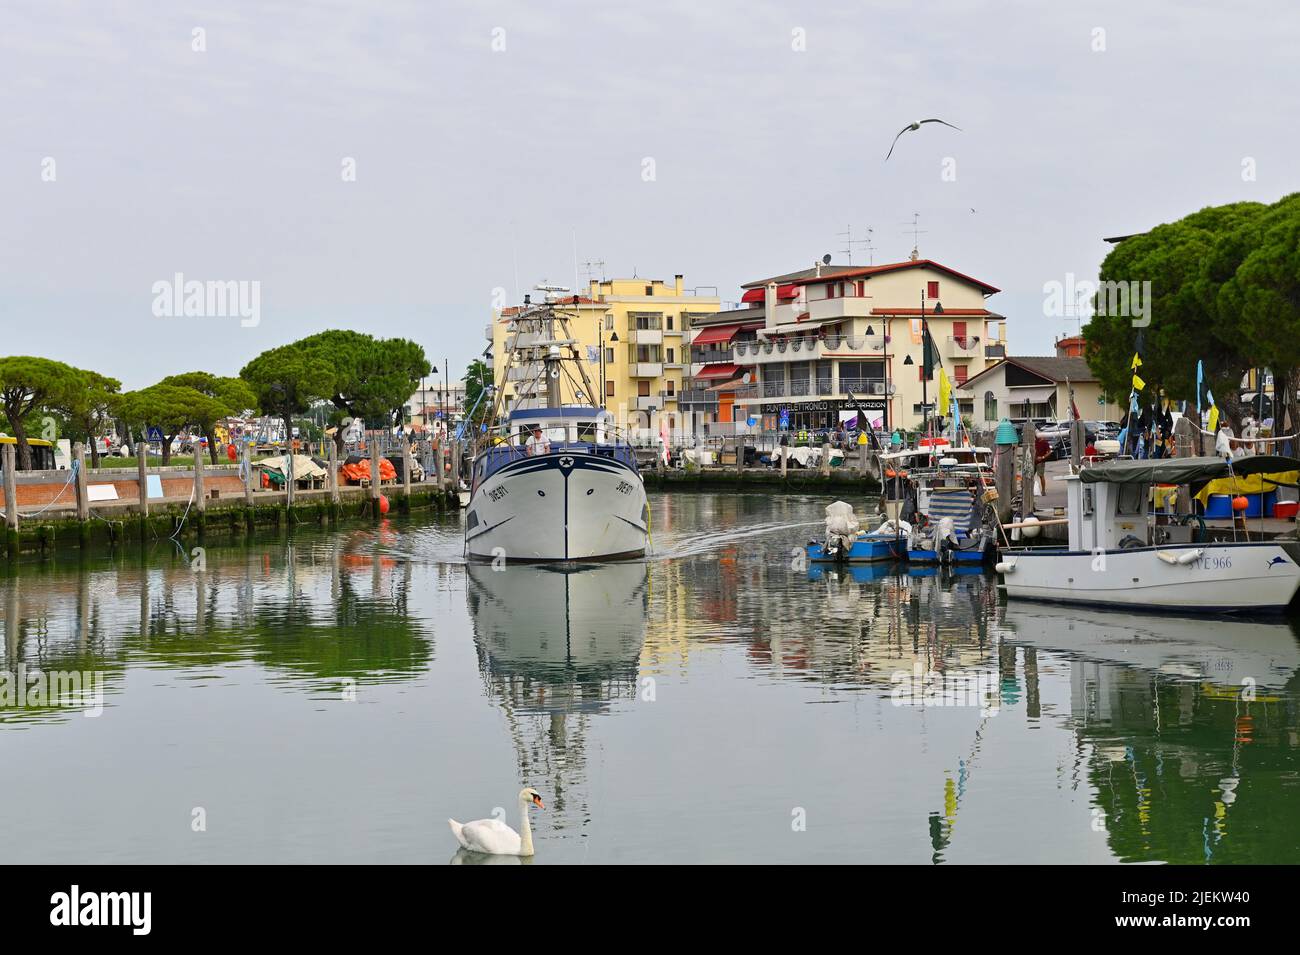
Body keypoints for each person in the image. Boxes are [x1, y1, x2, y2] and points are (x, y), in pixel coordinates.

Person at [1034, 430, 1051, 495]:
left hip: (1040, 462)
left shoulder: (1045, 442)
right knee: (1029, 476)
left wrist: (1043, 457)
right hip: (1033, 461)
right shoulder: (1035, 442)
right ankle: (1030, 490)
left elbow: (1049, 452)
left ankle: (1043, 490)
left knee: (1041, 476)